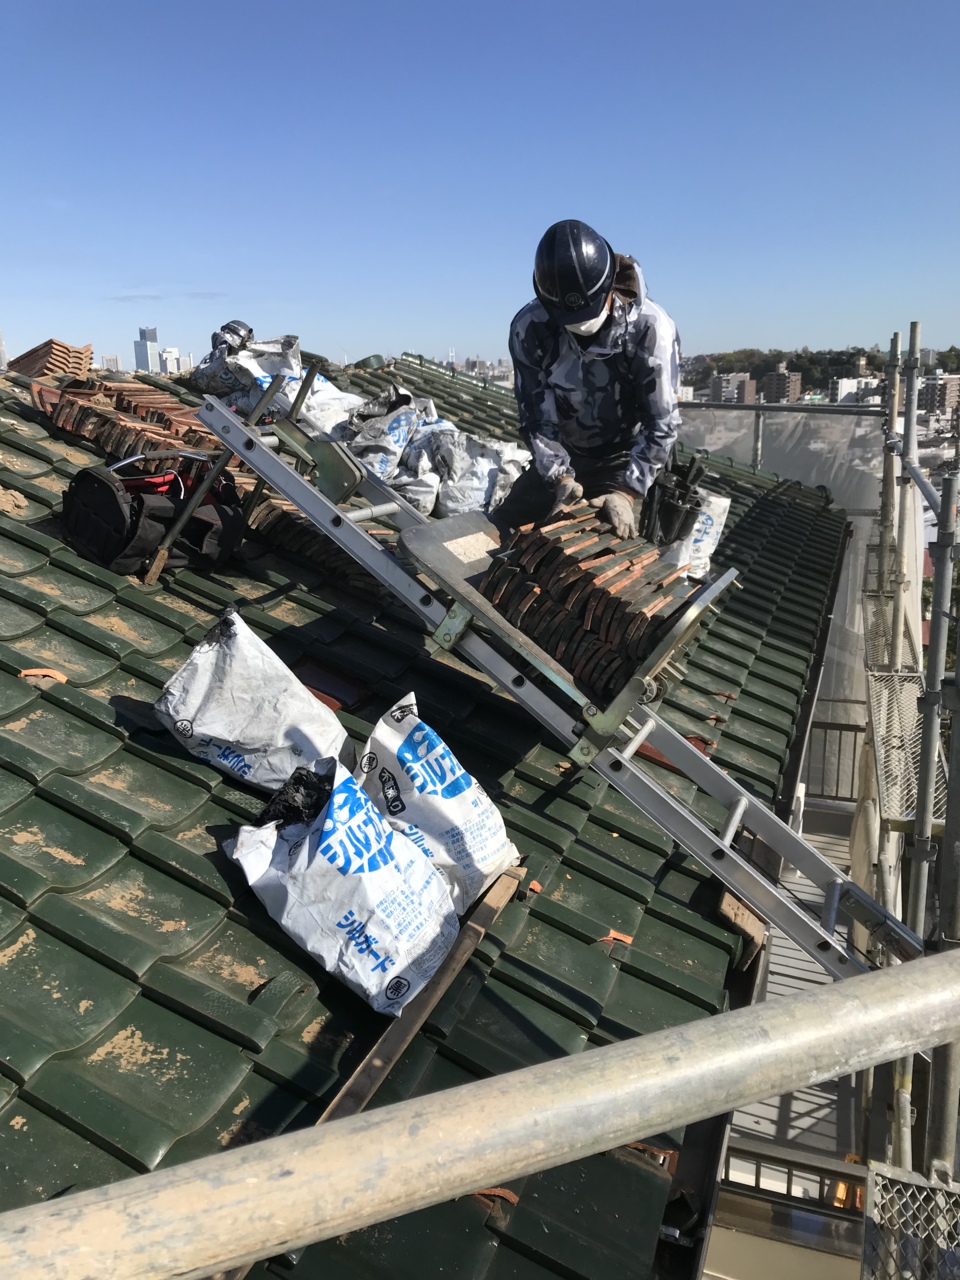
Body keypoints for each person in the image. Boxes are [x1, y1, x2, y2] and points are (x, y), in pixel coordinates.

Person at [494, 219, 681, 539]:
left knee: (604, 550)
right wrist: (560, 478)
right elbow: (537, 416)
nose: (583, 333)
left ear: (610, 289)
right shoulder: (531, 328)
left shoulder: (651, 329)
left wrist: (627, 493)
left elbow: (660, 424)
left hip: (626, 456)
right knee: (501, 532)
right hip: (564, 450)